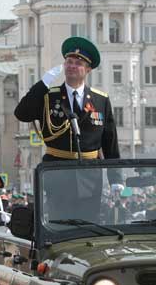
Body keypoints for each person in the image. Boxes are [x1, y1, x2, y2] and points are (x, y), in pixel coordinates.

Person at [15, 36, 119, 221]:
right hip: (57, 171)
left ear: (88, 69)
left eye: (78, 63)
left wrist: (116, 178)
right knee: (59, 224)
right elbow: (22, 113)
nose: (71, 66)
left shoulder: (100, 100)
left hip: (90, 174)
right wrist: (41, 85)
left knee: (89, 225)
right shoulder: (49, 97)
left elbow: (109, 141)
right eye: (68, 62)